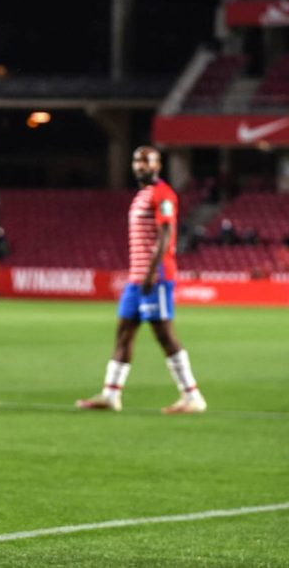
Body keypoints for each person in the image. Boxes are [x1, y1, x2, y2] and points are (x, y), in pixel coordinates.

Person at [77, 146, 206, 414]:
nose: (140, 165)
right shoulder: (142, 195)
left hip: (155, 277)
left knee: (164, 334)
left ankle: (192, 396)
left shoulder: (162, 194)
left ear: (158, 166)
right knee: (123, 332)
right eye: (137, 160)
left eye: (146, 161)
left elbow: (167, 232)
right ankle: (111, 395)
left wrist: (151, 272)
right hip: (136, 280)